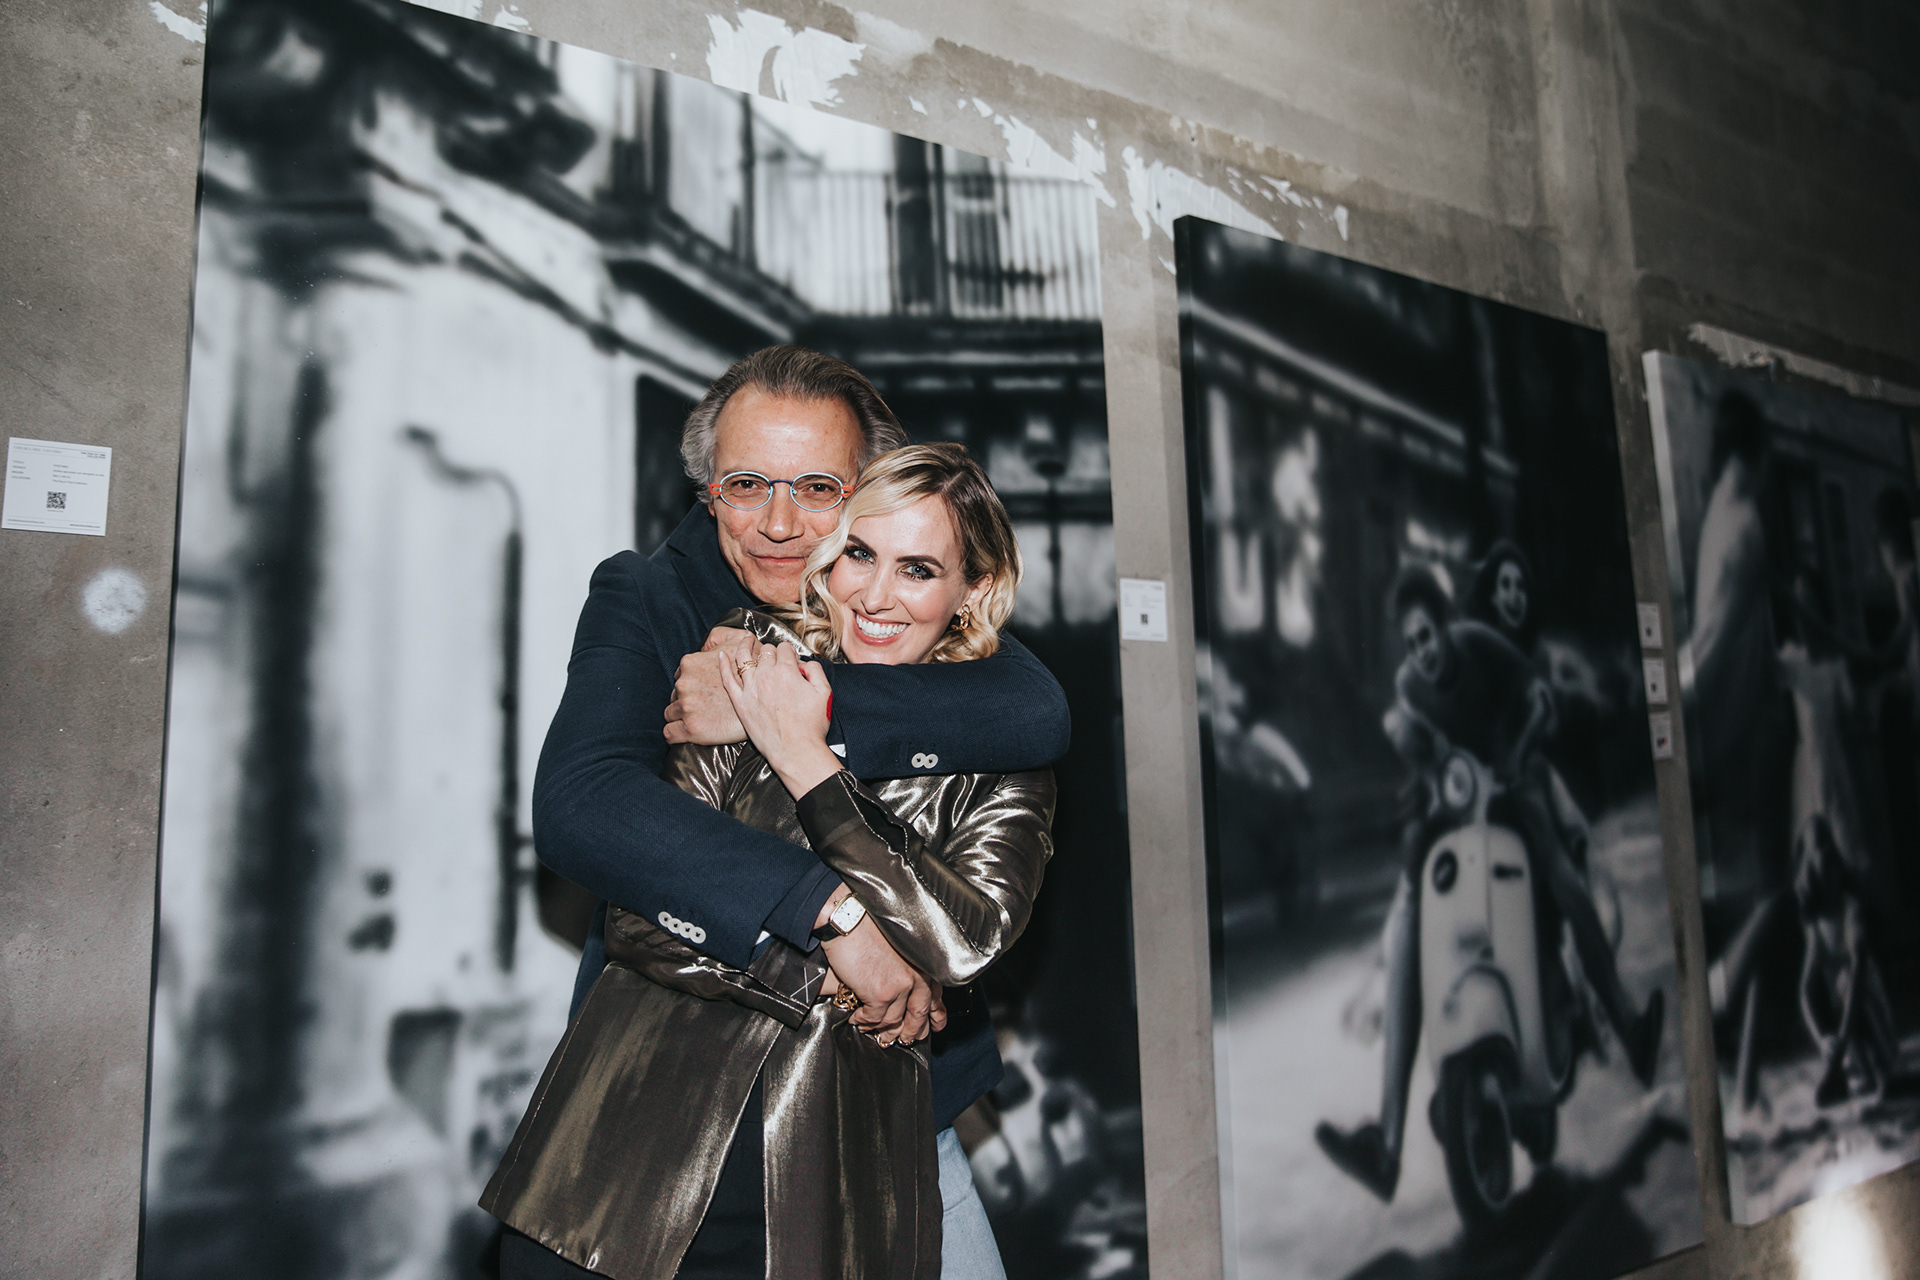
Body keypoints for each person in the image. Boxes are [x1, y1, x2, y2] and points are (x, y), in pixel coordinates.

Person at [523, 348, 1070, 1275]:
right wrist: (830, 918)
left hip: (901, 1108)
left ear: (871, 491)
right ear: (708, 490)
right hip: (674, 1102)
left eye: (819, 489)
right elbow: (585, 804)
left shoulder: (906, 601)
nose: (779, 525)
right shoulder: (653, 596)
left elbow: (1035, 712)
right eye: (746, 485)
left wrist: (789, 715)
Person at [1315, 566, 1663, 1202]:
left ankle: (1627, 1022)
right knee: (1410, 916)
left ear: (1445, 625)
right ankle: (1386, 1145)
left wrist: (1518, 751)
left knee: (1559, 873)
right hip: (1458, 805)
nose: (1422, 650)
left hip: (1516, 778)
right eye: (1411, 642)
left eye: (1427, 634)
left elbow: (1541, 700)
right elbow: (1414, 741)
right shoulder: (1410, 685)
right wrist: (1412, 751)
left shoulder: (1481, 646)